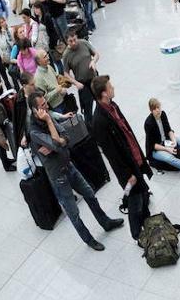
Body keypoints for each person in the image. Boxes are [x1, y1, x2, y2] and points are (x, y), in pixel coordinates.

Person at [26, 92, 124, 250]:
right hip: (58, 177)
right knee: (74, 212)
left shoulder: (48, 117)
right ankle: (88, 239)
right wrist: (52, 128)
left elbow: (65, 137)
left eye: (45, 103)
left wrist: (57, 142)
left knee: (90, 194)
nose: (47, 106)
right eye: (43, 105)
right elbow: (57, 143)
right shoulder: (35, 132)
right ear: (35, 110)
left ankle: (105, 221)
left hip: (69, 166)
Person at [89, 75, 152, 238]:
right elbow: (112, 154)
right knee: (135, 199)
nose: (113, 88)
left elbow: (126, 132)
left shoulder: (113, 106)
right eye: (110, 87)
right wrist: (126, 175)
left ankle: (147, 222)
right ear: (104, 93)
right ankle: (137, 234)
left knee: (143, 192)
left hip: (134, 157)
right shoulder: (99, 121)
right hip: (127, 168)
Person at [61, 32, 99, 120]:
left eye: (75, 39)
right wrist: (75, 83)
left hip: (94, 78)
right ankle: (90, 128)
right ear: (67, 42)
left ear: (77, 37)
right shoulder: (66, 55)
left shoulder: (84, 43)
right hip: (82, 84)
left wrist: (93, 61)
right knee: (87, 109)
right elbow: (66, 73)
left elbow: (96, 54)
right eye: (71, 41)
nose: (74, 43)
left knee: (101, 102)